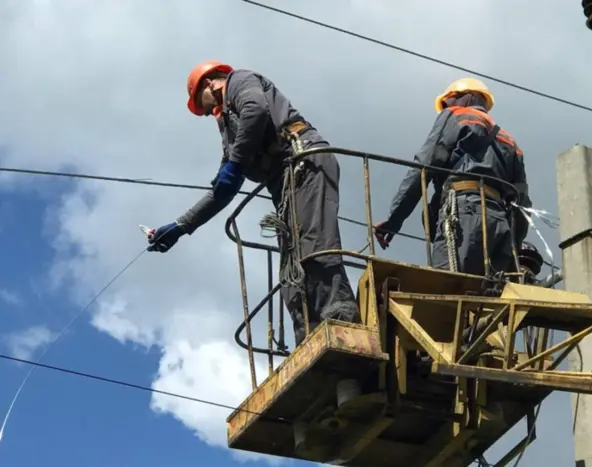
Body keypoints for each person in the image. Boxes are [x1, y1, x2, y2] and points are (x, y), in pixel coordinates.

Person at [146, 61, 360, 346]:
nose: (208, 113)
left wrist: (234, 165)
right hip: (285, 186)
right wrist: (180, 226)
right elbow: (222, 191)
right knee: (291, 270)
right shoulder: (230, 132)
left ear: (209, 83)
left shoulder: (240, 81)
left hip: (307, 163)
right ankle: (308, 336)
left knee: (314, 246)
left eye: (203, 105)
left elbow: (256, 110)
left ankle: (341, 319)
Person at [374, 77, 532, 278]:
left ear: (466, 97)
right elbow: (522, 202)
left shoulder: (457, 116)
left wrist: (393, 220)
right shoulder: (510, 141)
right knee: (488, 299)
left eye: (447, 102)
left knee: (445, 290)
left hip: (463, 214)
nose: (445, 108)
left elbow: (423, 166)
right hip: (500, 225)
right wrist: (513, 248)